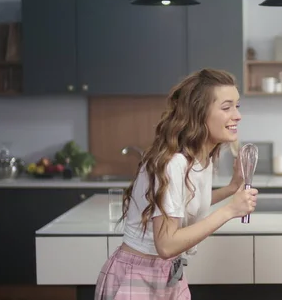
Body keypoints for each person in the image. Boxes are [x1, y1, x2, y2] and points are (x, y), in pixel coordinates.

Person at [94, 69, 258, 300]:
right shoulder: (173, 163)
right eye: (226, 107)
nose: (237, 115)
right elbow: (167, 245)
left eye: (237, 106)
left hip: (168, 274)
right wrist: (230, 210)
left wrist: (231, 188)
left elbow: (179, 205)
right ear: (198, 114)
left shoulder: (201, 159)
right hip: (138, 277)